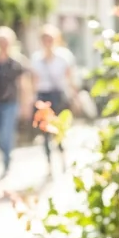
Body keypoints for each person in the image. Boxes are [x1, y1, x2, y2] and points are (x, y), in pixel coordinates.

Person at [31, 25, 77, 172]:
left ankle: (63, 158)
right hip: (43, 97)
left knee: (59, 128)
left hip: (59, 96)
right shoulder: (37, 58)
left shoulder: (64, 57)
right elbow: (34, 81)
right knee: (45, 131)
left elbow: (70, 78)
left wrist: (74, 96)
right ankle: (49, 164)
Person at [0, 27, 28, 175]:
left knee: (6, 132)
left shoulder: (16, 63)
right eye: (0, 41)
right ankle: (5, 152)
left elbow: (23, 85)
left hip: (10, 103)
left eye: (5, 41)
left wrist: (25, 105)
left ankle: (7, 158)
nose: (3, 44)